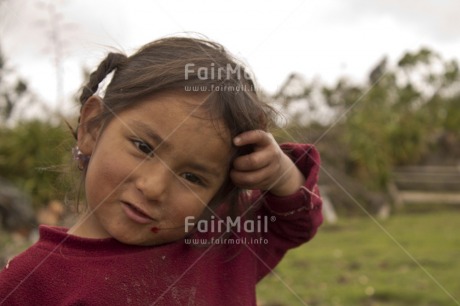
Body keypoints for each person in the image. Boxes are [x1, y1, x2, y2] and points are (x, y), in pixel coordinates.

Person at [0, 36, 323, 305]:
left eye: (192, 177)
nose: (153, 187)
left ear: (222, 189)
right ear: (93, 127)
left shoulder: (223, 244)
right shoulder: (30, 283)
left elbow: (294, 224)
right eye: (143, 147)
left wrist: (281, 173)